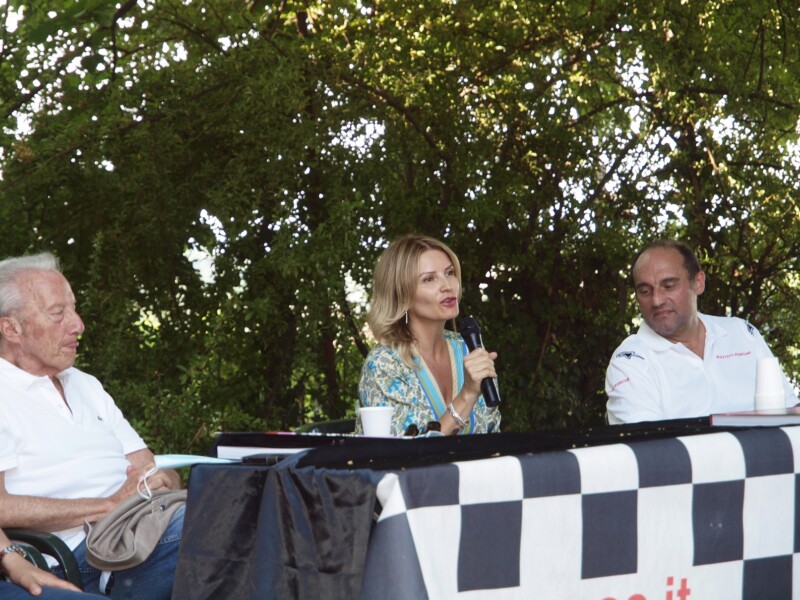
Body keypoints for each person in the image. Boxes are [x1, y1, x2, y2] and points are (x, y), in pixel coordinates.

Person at [0, 252, 183, 599]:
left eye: (74, 309)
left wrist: (164, 481)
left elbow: (150, 468)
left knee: (252, 510)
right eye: (58, 313)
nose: (78, 325)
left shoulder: (85, 384)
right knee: (223, 528)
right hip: (82, 553)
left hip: (144, 523)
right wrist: (108, 505)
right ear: (12, 329)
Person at [606, 240, 797, 424]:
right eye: (645, 291)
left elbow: (790, 414)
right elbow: (650, 443)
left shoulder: (742, 334)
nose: (657, 300)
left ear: (698, 282)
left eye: (669, 286)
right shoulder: (630, 362)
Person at [358, 234, 501, 436]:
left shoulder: (468, 348)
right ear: (402, 295)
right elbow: (400, 451)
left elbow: (492, 432)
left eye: (449, 273)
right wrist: (467, 395)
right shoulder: (384, 364)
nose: (447, 286)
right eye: (429, 279)